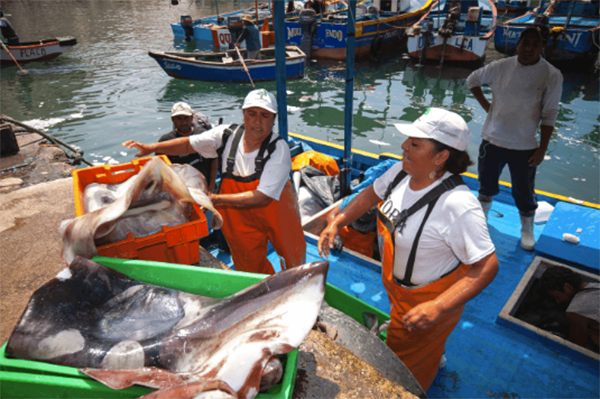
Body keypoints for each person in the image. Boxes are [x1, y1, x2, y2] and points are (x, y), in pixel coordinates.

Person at [317, 108, 499, 391]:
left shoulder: (459, 206)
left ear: (441, 157)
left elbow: (487, 266)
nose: (404, 147)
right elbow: (370, 194)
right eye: (408, 140)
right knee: (421, 348)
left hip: (428, 299)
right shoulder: (401, 172)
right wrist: (337, 222)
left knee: (402, 374)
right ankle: (433, 353)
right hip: (398, 290)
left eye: (415, 144)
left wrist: (437, 307)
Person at [123, 89, 306, 276]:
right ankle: (263, 289)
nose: (257, 121)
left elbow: (263, 197)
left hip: (275, 209)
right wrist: (150, 148)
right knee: (248, 261)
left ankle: (298, 281)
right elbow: (188, 144)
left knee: (292, 253)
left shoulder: (279, 149)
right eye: (252, 114)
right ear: (243, 115)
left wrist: (216, 199)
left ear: (273, 119)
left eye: (265, 115)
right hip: (237, 214)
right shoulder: (225, 134)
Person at [466, 25, 563, 251]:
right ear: (518, 44)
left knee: (524, 190)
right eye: (525, 42)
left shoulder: (552, 74)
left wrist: (542, 149)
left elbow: (550, 114)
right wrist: (487, 106)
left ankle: (526, 230)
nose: (528, 48)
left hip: (525, 145)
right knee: (486, 185)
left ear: (542, 47)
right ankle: (482, 221)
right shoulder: (501, 66)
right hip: (492, 139)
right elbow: (472, 80)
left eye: (534, 44)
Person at [158, 102, 217, 193]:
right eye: (179, 119)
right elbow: (160, 169)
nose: (183, 122)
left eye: (186, 118)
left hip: (205, 186)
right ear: (172, 119)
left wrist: (211, 188)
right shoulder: (166, 141)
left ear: (192, 118)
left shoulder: (204, 135)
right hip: (180, 190)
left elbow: (214, 161)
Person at [540, 266, 600, 350]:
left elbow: (575, 348)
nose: (558, 301)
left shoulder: (575, 310)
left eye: (556, 296)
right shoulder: (595, 285)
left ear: (567, 287)